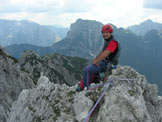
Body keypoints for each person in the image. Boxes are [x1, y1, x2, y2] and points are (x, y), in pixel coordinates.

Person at [76, 24, 120, 92]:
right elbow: (102, 51)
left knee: (87, 70)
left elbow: (105, 54)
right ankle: (95, 80)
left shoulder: (113, 42)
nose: (105, 34)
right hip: (105, 62)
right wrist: (95, 59)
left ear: (111, 32)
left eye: (107, 32)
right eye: (103, 32)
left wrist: (96, 61)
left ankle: (84, 88)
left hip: (109, 64)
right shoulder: (108, 40)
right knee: (92, 67)